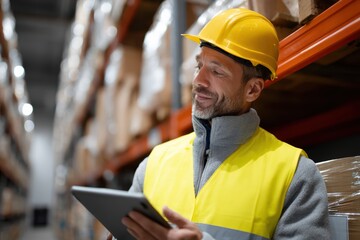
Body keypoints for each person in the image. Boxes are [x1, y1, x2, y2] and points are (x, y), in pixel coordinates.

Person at [108, 7, 330, 240]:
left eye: (216, 71)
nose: (198, 80)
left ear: (252, 89)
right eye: (198, 66)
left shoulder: (294, 173)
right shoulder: (154, 163)